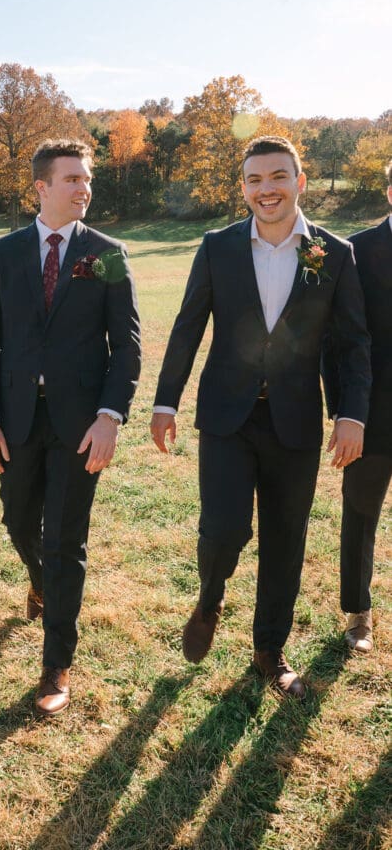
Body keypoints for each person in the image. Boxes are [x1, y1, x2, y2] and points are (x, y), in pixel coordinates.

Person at [150, 135, 371, 697]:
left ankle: (269, 649)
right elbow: (187, 326)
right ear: (243, 187)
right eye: (254, 179)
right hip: (227, 415)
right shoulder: (217, 246)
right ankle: (210, 595)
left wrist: (352, 414)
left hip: (295, 421)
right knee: (222, 531)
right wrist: (165, 400)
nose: (265, 189)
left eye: (277, 177)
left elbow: (353, 343)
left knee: (285, 539)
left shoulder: (335, 253)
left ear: (299, 182)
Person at [0, 138, 141, 715]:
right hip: (16, 418)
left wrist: (109, 416)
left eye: (87, 178)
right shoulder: (3, 252)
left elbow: (129, 346)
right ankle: (39, 578)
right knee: (19, 519)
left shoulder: (108, 252)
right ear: (41, 187)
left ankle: (56, 666)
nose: (83, 188)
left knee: (65, 538)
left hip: (79, 425)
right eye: (71, 179)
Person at [323, 160, 392, 654]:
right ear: (390, 190)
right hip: (374, 414)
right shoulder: (358, 251)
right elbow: (338, 337)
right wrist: (346, 411)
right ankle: (358, 613)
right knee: (361, 513)